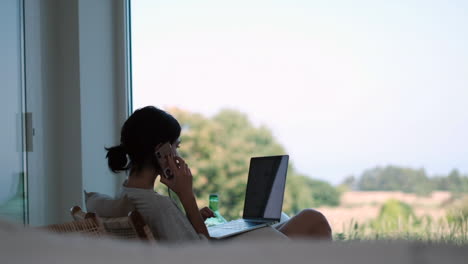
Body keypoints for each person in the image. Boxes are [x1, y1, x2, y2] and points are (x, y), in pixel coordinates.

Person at [106, 106, 332, 242]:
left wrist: (190, 217)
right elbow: (203, 254)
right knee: (313, 219)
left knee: (281, 219)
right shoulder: (157, 206)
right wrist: (187, 196)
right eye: (176, 146)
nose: (177, 153)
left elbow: (178, 238)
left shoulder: (130, 197)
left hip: (227, 250)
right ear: (161, 151)